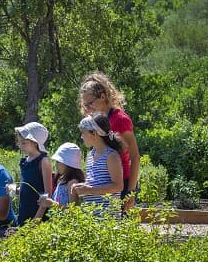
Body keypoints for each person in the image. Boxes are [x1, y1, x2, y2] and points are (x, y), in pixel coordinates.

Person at [79, 73, 140, 209]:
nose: (87, 108)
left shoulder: (120, 119)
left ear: (103, 97)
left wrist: (130, 191)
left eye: (90, 103)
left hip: (120, 183)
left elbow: (135, 157)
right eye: (85, 104)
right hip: (102, 184)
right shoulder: (93, 120)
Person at [71, 113, 124, 209]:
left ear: (94, 134)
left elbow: (118, 186)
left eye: (83, 132)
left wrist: (89, 190)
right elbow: (94, 184)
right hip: (92, 216)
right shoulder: (90, 155)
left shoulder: (111, 156)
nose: (81, 137)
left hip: (107, 217)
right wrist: (81, 187)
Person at [14, 122, 53, 226]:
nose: (20, 146)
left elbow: (47, 193)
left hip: (37, 212)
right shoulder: (24, 161)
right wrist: (16, 190)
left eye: (24, 143)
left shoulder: (43, 161)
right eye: (19, 142)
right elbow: (28, 186)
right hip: (24, 210)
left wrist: (38, 217)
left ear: (35, 142)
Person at [39, 142, 85, 209]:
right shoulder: (62, 180)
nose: (56, 165)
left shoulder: (72, 183)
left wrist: (52, 204)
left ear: (67, 164)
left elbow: (73, 209)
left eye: (58, 162)